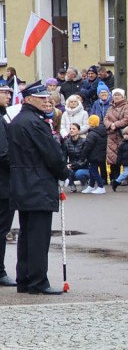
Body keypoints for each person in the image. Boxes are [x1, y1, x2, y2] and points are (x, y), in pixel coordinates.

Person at [7, 81, 69, 295]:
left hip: (24, 184)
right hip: (38, 184)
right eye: (41, 98)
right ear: (28, 99)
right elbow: (51, 153)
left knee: (27, 235)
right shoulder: (35, 122)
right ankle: (37, 281)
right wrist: (64, 171)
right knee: (37, 237)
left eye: (47, 97)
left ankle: (25, 279)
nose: (46, 100)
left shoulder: (18, 121)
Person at [0, 91, 15, 287]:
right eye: (4, 93)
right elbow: (3, 153)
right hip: (3, 185)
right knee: (2, 229)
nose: (8, 97)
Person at [104, 88, 128, 190]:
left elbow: (127, 119)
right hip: (112, 136)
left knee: (124, 157)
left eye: (118, 95)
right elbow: (105, 118)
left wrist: (115, 124)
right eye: (115, 95)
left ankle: (125, 178)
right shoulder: (110, 108)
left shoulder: (127, 107)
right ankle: (114, 178)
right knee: (112, 158)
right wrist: (110, 125)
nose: (116, 96)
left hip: (122, 135)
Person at [62, 122, 91, 192]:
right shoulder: (66, 142)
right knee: (65, 170)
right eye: (70, 129)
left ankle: (84, 184)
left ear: (78, 131)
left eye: (74, 129)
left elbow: (86, 159)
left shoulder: (84, 142)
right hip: (72, 166)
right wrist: (66, 165)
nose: (71, 130)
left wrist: (74, 166)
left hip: (84, 168)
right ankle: (72, 186)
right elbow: (64, 156)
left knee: (79, 173)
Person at [83, 115, 108, 194]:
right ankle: (91, 185)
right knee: (92, 170)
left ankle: (101, 186)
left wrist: (83, 155)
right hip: (100, 154)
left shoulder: (92, 134)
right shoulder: (102, 132)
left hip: (93, 155)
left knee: (94, 171)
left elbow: (87, 146)